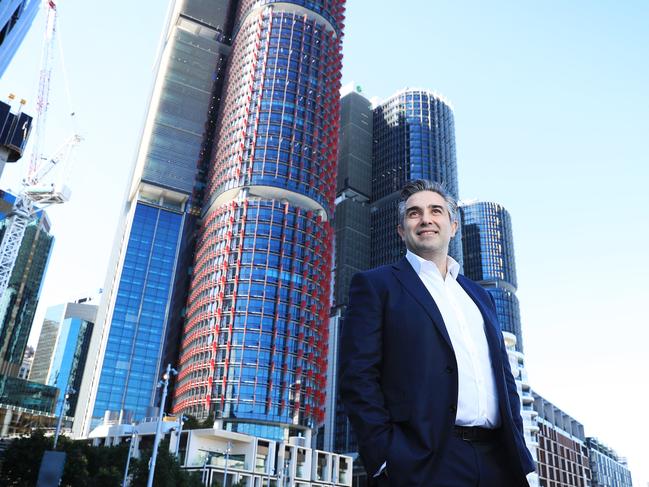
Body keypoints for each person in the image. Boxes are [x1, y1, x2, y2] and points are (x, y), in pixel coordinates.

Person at [339, 179, 535, 486]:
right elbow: (357, 377)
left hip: (499, 459)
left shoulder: (480, 296)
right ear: (402, 230)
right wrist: (384, 457)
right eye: (414, 213)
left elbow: (504, 377)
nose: (426, 219)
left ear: (453, 226)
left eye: (436, 211)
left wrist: (519, 449)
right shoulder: (376, 285)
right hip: (425, 461)